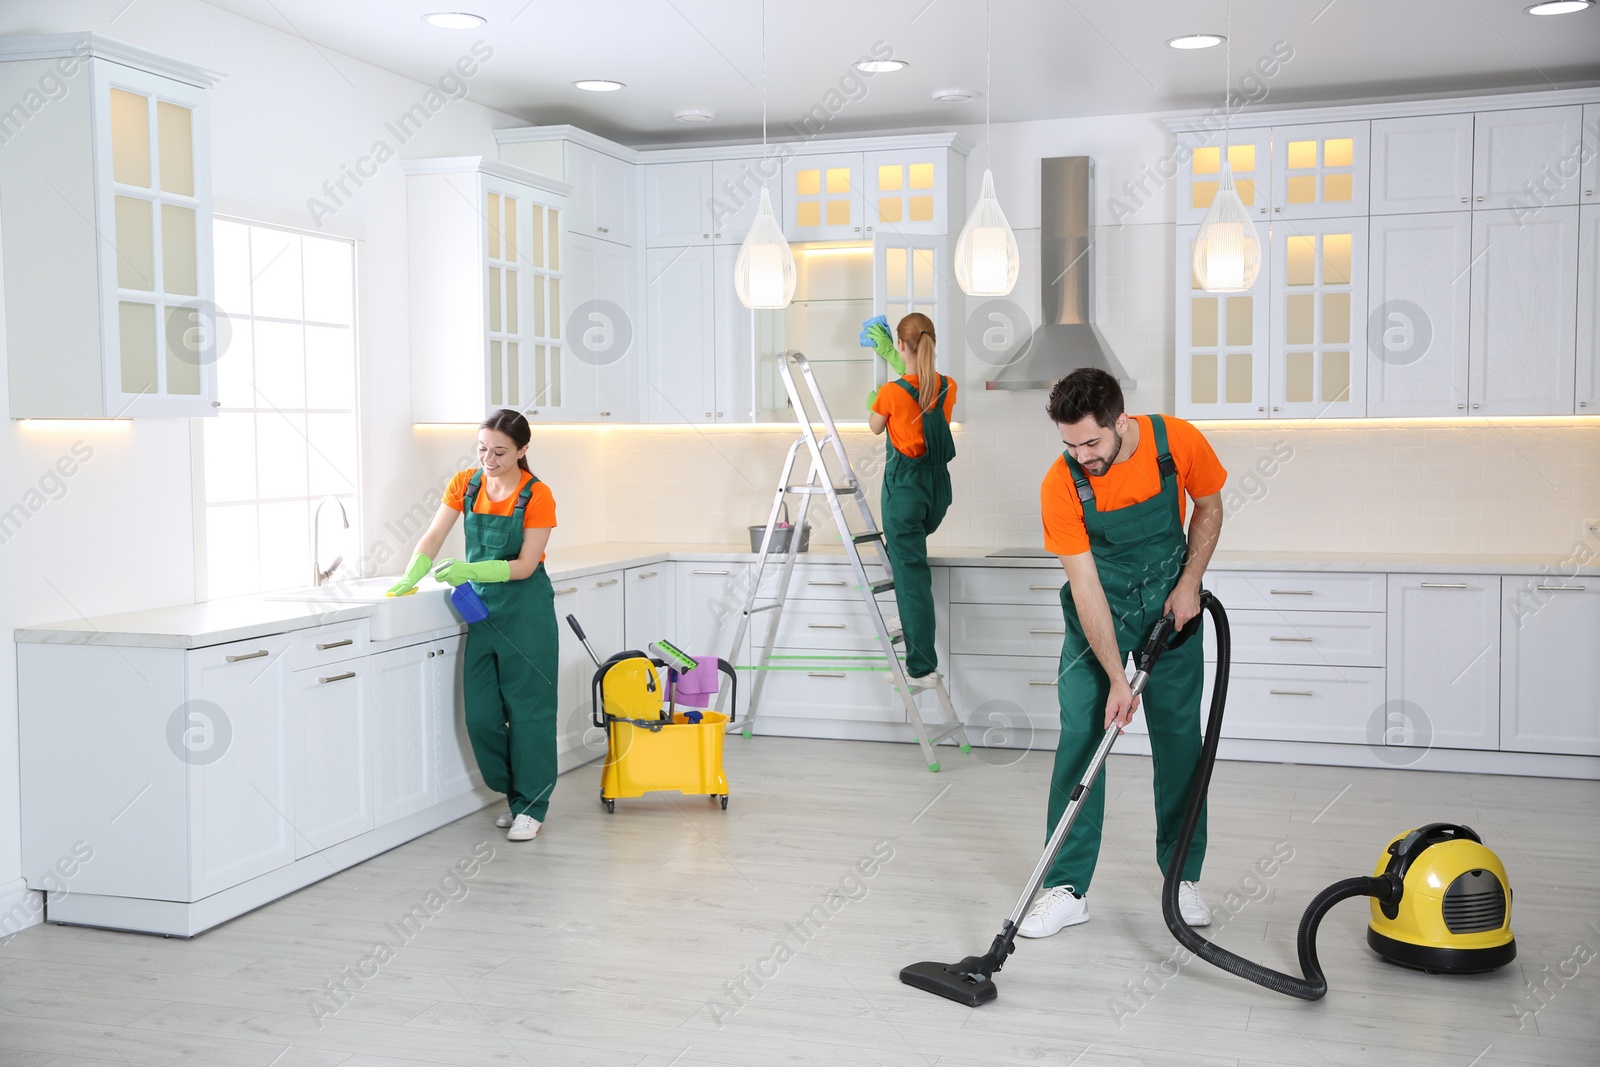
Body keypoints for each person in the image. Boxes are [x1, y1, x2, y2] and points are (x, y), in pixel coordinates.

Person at [1020, 369, 1227, 937]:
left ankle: (1181, 879)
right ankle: (1065, 888)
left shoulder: (1177, 442)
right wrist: (1116, 677)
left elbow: (1209, 509)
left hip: (1172, 608)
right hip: (1098, 617)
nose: (1082, 455)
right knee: (1082, 738)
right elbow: (1085, 587)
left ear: (1121, 422)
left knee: (1180, 741)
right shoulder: (1060, 484)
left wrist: (1190, 583)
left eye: (1091, 442)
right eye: (1070, 444)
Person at [386, 409, 559, 842]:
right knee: (481, 717)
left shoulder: (538, 495)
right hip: (482, 613)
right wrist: (413, 571)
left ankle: (531, 806)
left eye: (500, 451)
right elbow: (435, 532)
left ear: (522, 450)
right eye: (483, 448)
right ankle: (515, 794)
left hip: (527, 613)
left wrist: (472, 570)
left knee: (529, 715)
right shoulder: (466, 482)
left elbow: (524, 565)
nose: (489, 458)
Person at [862, 312, 957, 683]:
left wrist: (874, 399)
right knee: (910, 570)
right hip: (938, 494)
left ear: (901, 345)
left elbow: (874, 428)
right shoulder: (949, 386)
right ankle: (908, 610)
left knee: (912, 575)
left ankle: (920, 667)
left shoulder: (889, 393)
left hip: (904, 493)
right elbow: (921, 388)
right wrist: (895, 356)